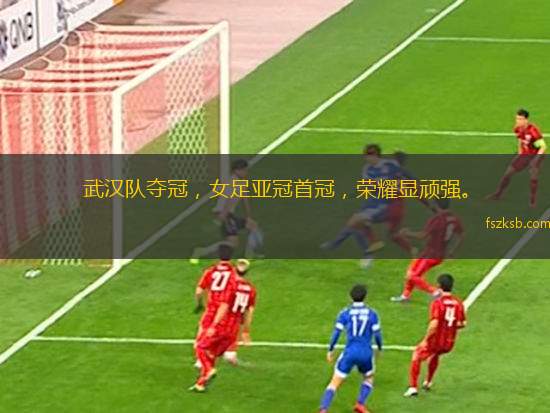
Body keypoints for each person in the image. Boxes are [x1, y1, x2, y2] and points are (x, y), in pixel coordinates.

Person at [190, 257, 257, 392]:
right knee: (212, 354)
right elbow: (248, 312)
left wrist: (214, 325)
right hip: (234, 330)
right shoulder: (251, 289)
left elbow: (224, 306)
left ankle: (208, 369)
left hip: (223, 325)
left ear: (235, 270)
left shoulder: (231, 286)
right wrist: (245, 331)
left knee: (200, 347)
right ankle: (201, 384)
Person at [319, 284, 383, 413]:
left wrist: (331, 349)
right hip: (366, 353)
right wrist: (380, 348)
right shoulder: (372, 314)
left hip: (350, 352)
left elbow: (336, 333)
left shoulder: (345, 313)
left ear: (350, 297)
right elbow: (377, 335)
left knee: (334, 382)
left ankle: (324, 409)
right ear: (365, 297)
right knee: (368, 378)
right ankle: (360, 404)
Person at [404, 273, 466, 397]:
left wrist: (425, 339)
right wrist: (449, 327)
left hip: (436, 340)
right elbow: (462, 323)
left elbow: (434, 324)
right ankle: (428, 382)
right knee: (435, 354)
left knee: (417, 354)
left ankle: (413, 387)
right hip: (449, 343)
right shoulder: (458, 303)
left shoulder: (438, 303)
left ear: (439, 286)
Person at [391, 199, 464, 302]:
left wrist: (407, 233)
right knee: (412, 271)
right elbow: (461, 234)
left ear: (436, 205)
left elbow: (422, 235)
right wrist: (452, 251)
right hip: (437, 253)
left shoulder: (437, 219)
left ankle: (435, 291)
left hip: (431, 254)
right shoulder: (454, 219)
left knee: (412, 275)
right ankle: (405, 296)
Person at [190, 159, 262, 263]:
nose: (246, 172)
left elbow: (245, 199)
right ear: (237, 171)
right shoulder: (234, 183)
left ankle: (249, 255)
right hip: (225, 214)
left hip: (228, 214)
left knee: (253, 225)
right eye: (244, 170)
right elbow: (230, 201)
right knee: (233, 243)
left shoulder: (240, 182)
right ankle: (201, 251)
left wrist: (248, 216)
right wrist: (222, 216)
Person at [486, 108, 546, 207]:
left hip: (536, 155)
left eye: (520, 119)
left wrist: (536, 160)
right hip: (525, 154)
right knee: (508, 173)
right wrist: (520, 152)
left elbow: (543, 147)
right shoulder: (517, 128)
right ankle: (498, 194)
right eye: (517, 119)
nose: (518, 121)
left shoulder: (533, 131)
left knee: (533, 176)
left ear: (526, 120)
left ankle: (533, 200)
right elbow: (520, 140)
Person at [193, 244, 238, 368]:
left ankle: (200, 359)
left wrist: (200, 303)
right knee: (226, 330)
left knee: (203, 330)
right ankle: (229, 352)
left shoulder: (210, 271)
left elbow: (199, 291)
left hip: (212, 308)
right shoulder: (234, 273)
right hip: (226, 308)